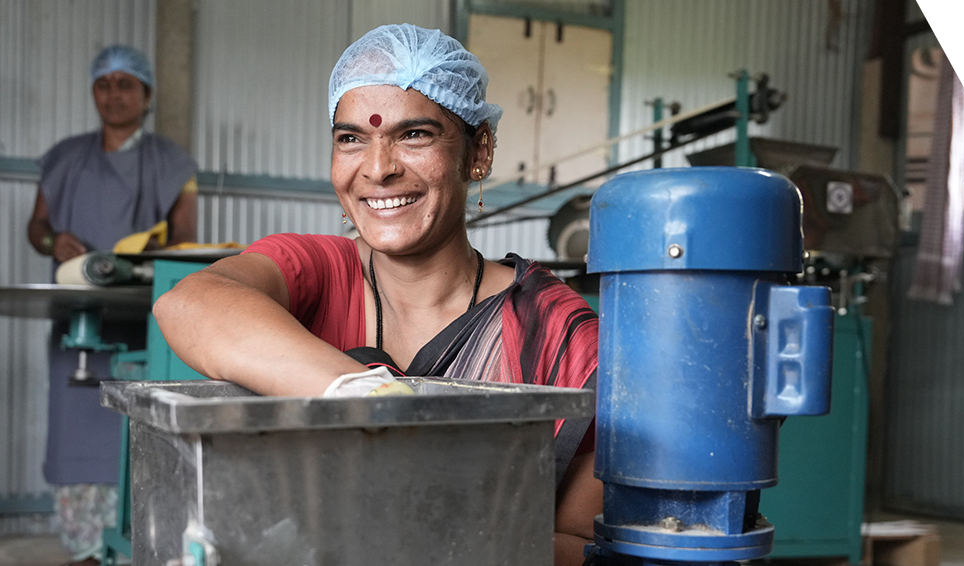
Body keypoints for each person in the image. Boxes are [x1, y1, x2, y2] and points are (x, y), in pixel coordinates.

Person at [153, 24, 600, 566]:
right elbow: (189, 303)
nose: (378, 167)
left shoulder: (555, 331)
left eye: (415, 135)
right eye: (351, 138)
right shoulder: (320, 271)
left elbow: (583, 546)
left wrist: (429, 530)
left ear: (478, 151)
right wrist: (366, 400)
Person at [26, 45, 198, 566]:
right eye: (105, 84)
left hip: (143, 321)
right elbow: (36, 228)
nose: (114, 94)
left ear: (146, 95)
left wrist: (152, 251)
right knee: (78, 427)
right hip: (76, 323)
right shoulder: (63, 159)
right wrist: (52, 240)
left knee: (138, 430)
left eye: (127, 84)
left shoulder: (172, 165)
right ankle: (84, 549)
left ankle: (140, 543)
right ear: (93, 93)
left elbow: (189, 241)